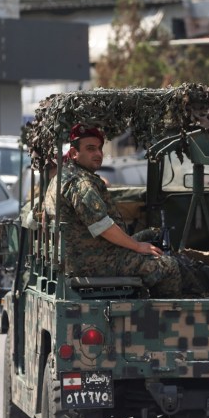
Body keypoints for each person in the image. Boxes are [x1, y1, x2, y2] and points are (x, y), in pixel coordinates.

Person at [43, 124, 182, 297]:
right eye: (90, 149)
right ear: (73, 154)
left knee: (153, 236)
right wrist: (137, 246)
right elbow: (103, 226)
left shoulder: (62, 177)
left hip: (81, 257)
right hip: (95, 261)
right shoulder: (80, 182)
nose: (98, 154)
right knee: (168, 266)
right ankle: (167, 315)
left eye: (100, 148)